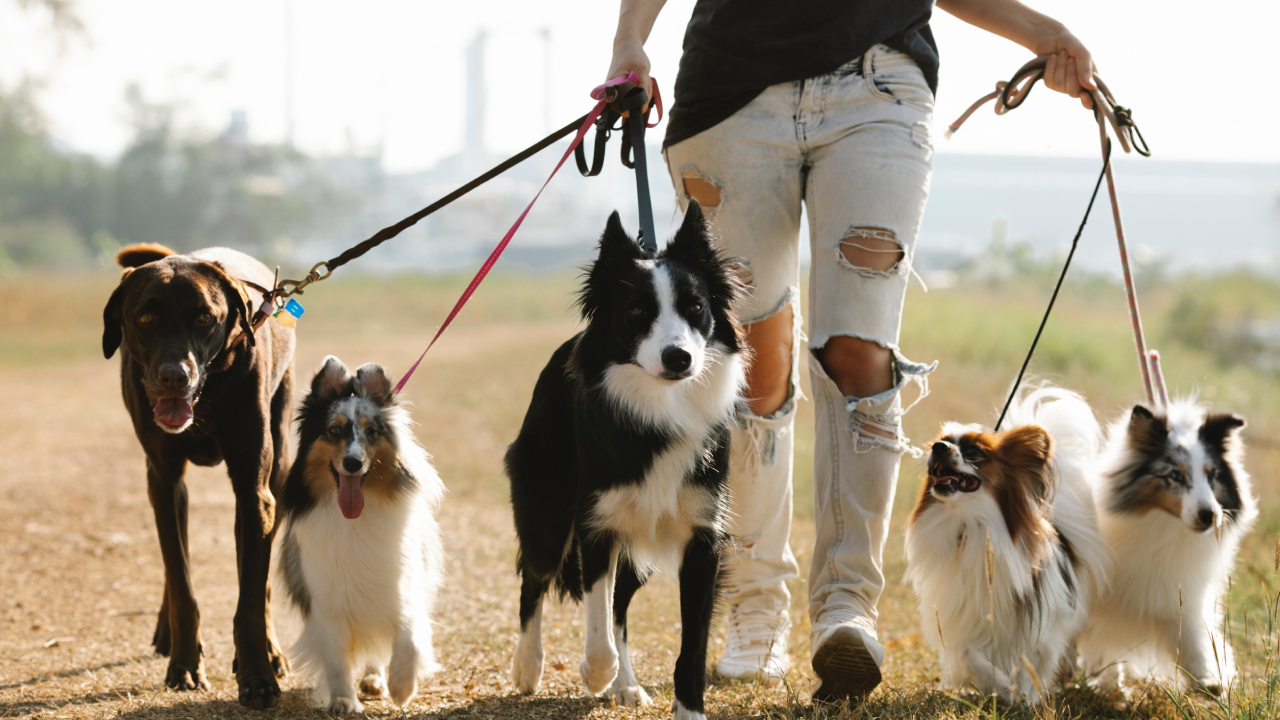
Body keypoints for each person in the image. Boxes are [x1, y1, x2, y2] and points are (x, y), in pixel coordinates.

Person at [605, 0, 1099, 701]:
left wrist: (1046, 34)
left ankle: (846, 604)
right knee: (751, 362)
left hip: (880, 90)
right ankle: (754, 602)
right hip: (731, 96)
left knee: (860, 352)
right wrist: (630, 41)